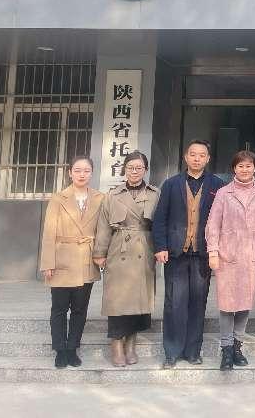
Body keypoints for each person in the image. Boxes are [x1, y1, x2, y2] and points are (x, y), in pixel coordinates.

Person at [152, 139, 224, 369]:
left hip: (203, 253)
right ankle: (172, 352)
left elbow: (222, 221)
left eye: (201, 155)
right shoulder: (171, 184)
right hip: (175, 253)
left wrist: (216, 250)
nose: (197, 158)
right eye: (193, 154)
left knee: (198, 303)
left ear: (208, 159)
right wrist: (160, 246)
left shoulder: (217, 185)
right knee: (174, 303)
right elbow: (160, 218)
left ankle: (193, 352)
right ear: (185, 157)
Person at [93, 151, 159, 367]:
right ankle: (116, 345)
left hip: (144, 250)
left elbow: (160, 224)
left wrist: (161, 248)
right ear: (124, 169)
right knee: (117, 300)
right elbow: (103, 226)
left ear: (146, 170)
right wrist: (100, 253)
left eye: (139, 168)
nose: (135, 171)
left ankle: (131, 343)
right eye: (131, 167)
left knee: (138, 300)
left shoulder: (155, 194)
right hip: (119, 249)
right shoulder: (112, 195)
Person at [39, 156, 104, 368]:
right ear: (70, 173)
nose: (82, 174)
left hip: (87, 260)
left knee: (79, 309)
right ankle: (59, 349)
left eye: (86, 171)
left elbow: (103, 231)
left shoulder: (100, 198)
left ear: (91, 173)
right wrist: (48, 263)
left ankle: (72, 348)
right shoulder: (58, 199)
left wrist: (101, 254)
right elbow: (49, 232)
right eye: (77, 170)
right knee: (59, 308)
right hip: (62, 259)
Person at [206, 150, 255, 371]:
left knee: (245, 303)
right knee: (227, 304)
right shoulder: (224, 193)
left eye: (248, 165)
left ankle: (238, 347)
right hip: (227, 257)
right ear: (234, 168)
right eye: (240, 166)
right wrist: (213, 252)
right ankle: (226, 348)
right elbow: (213, 224)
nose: (245, 169)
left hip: (250, 257)